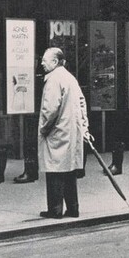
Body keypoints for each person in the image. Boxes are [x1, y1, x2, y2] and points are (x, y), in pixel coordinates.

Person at [37, 47, 92, 219]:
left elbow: (50, 109)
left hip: (57, 133)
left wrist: (43, 129)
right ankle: (73, 208)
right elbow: (82, 103)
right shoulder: (70, 78)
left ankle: (55, 209)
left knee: (54, 171)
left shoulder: (53, 80)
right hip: (72, 132)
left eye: (45, 60)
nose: (42, 63)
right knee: (69, 171)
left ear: (54, 62)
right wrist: (84, 127)